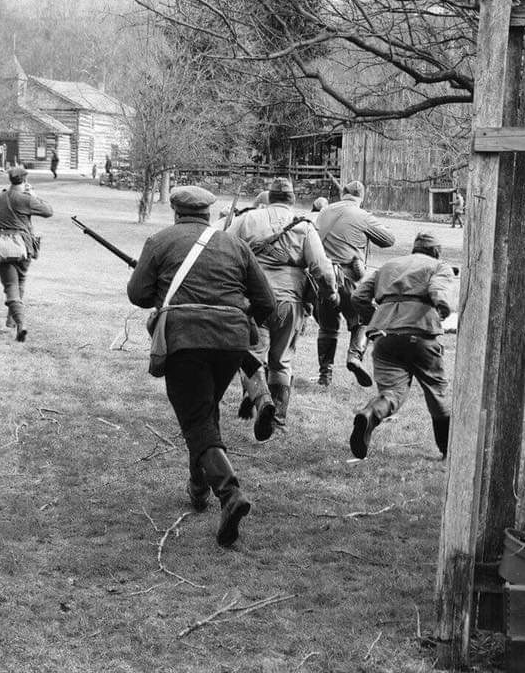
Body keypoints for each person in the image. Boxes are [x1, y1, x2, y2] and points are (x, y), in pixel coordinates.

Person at [127, 186, 276, 547]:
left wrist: (164, 292)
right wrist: (240, 319)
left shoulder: (160, 241)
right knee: (204, 413)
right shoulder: (235, 245)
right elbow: (267, 302)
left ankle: (230, 493)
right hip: (231, 343)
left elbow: (138, 294)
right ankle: (198, 487)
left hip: (185, 339)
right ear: (209, 212)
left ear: (176, 211)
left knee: (196, 420)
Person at [227, 178, 337, 435]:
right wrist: (330, 294)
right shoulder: (304, 226)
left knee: (251, 356)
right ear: (292, 199)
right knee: (282, 361)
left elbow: (224, 249)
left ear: (269, 197)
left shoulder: (246, 219)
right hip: (289, 302)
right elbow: (322, 270)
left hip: (253, 301)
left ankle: (261, 400)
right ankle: (277, 418)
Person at [349, 231, 456, 460]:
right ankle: (447, 451)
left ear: (414, 249)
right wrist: (442, 310)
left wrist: (377, 318)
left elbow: (358, 296)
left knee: (392, 392)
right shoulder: (439, 266)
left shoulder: (388, 265)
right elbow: (438, 291)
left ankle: (369, 414)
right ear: (436, 252)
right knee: (437, 393)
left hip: (384, 337)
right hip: (420, 334)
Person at [313, 180, 396, 388]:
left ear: (343, 193)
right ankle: (354, 357)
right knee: (363, 320)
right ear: (362, 197)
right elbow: (389, 240)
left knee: (327, 327)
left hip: (323, 278)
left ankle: (325, 375)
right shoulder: (363, 216)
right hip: (349, 277)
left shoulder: (324, 211)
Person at [0, 166, 53, 342]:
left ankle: (17, 323)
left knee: (11, 285)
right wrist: (33, 194)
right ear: (25, 180)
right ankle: (19, 324)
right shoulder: (26, 199)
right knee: (20, 282)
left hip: (1, 245)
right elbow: (48, 211)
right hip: (23, 247)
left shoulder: (0, 196)